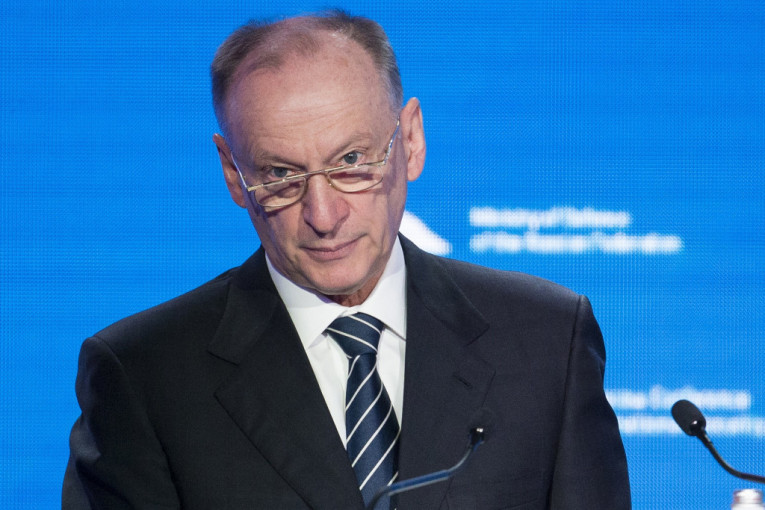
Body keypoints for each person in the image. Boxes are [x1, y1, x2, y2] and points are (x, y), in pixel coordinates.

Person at [63, 11, 630, 509]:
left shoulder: (544, 338)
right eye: (280, 175)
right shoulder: (144, 375)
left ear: (411, 140)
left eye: (352, 160)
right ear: (234, 175)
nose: (324, 214)